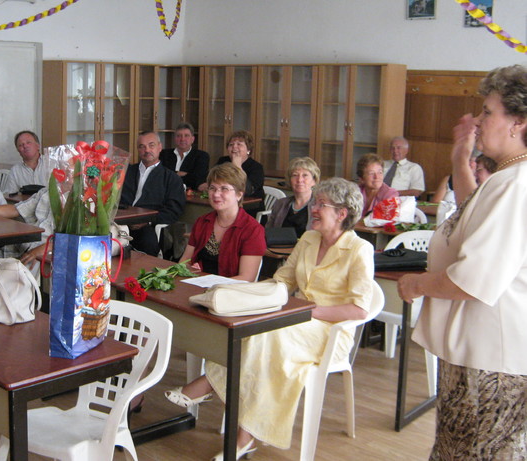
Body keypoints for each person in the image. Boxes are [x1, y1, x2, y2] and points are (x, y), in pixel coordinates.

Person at [165, 177, 374, 460]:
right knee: (256, 329)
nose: (314, 208)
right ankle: (245, 434)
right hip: (296, 319)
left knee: (270, 335)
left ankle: (214, 390)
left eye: (321, 205)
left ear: (341, 213)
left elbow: (359, 309)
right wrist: (249, 297)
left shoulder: (360, 250)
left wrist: (307, 311)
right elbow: (283, 281)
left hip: (330, 331)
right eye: (315, 203)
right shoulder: (309, 239)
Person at [398, 65, 527, 459]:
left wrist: (416, 284)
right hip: (477, 352)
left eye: (488, 112)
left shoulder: (517, 184)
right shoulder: (506, 178)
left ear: (517, 122)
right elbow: (471, 215)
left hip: (492, 358)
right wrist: (460, 157)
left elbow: (472, 279)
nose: (479, 119)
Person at [180, 163, 265, 281]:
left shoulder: (252, 230)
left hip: (230, 293)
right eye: (212, 188)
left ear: (239, 194)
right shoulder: (202, 222)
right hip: (197, 286)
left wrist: (209, 283)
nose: (216, 194)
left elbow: (246, 278)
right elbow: (184, 263)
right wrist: (191, 271)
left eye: (224, 189)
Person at [120, 131, 185, 256]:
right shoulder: (126, 172)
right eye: (142, 146)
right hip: (120, 223)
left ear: (160, 147)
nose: (147, 150)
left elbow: (174, 210)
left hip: (147, 225)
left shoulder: (171, 178)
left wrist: (148, 221)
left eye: (151, 145)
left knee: (147, 241)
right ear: (138, 150)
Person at [202, 130, 265, 201]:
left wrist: (237, 167)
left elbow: (247, 191)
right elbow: (209, 179)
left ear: (248, 149)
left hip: (250, 205)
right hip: (224, 200)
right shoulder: (223, 161)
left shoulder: (256, 167)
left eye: (239, 144)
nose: (234, 147)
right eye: (231, 144)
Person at [266, 156, 320, 237]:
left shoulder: (320, 206)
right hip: (280, 247)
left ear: (314, 181)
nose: (299, 180)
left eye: (305, 175)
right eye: (295, 175)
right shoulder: (280, 204)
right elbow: (269, 232)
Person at [159, 122, 210, 191]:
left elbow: (197, 180)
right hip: (164, 193)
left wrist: (172, 174)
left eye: (186, 136)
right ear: (175, 138)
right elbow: (160, 175)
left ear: (192, 139)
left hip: (189, 197)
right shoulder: (163, 154)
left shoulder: (202, 156)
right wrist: (182, 174)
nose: (182, 139)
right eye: (179, 136)